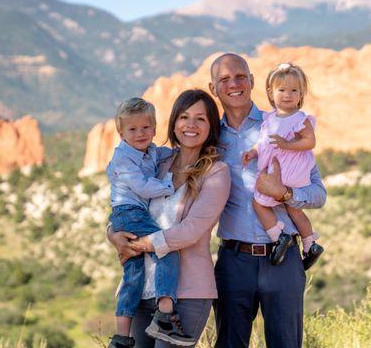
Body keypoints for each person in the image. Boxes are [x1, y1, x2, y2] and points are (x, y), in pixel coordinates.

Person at [209, 53, 327, 348]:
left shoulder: (281, 125)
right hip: (233, 261)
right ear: (214, 88)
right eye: (224, 79)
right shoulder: (208, 136)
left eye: (240, 77)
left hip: (283, 259)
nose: (233, 84)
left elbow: (318, 194)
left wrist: (285, 194)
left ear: (251, 82)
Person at [108, 89, 230, 348]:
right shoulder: (157, 162)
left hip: (186, 292)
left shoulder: (216, 172)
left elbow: (192, 230)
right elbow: (129, 203)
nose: (191, 125)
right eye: (184, 117)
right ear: (174, 123)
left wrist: (140, 245)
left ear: (211, 126)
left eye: (201, 119)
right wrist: (113, 234)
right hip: (143, 289)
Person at [106, 98, 196, 348]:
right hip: (130, 213)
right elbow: (143, 187)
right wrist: (171, 185)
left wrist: (183, 151)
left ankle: (122, 337)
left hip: (128, 216)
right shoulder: (124, 159)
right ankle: (165, 316)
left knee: (133, 274)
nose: (140, 134)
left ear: (154, 129)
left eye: (146, 128)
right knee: (165, 248)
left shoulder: (150, 151)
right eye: (133, 130)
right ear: (121, 133)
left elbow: (167, 153)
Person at [242, 62, 324, 269]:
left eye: (294, 90)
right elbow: (263, 142)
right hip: (286, 172)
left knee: (258, 203)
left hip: (288, 170)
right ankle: (310, 244)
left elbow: (310, 141)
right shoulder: (270, 118)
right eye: (282, 90)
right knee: (294, 210)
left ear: (301, 93)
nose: (288, 95)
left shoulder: (300, 119)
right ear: (271, 92)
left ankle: (279, 237)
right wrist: (253, 152)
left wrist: (287, 144)